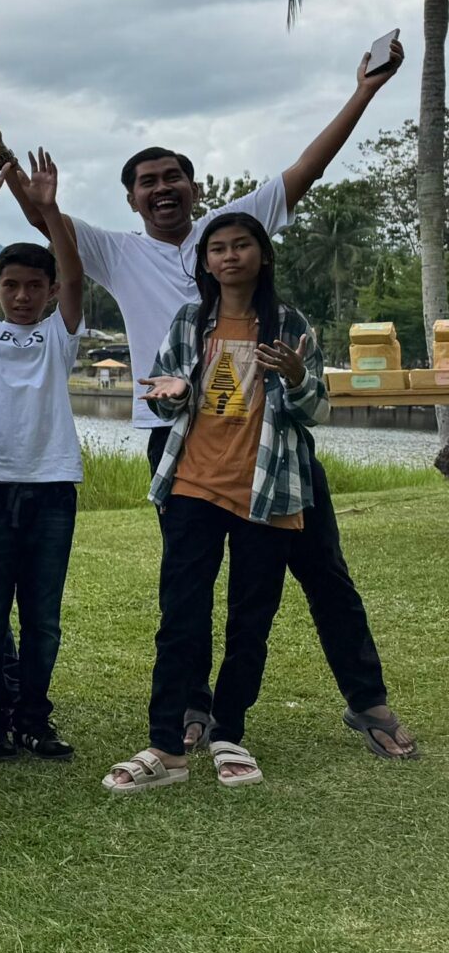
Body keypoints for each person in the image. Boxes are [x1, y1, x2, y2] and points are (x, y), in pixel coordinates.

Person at [0, 53, 416, 759]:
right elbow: (44, 217)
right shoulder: (117, 252)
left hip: (272, 442)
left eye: (173, 177)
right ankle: (191, 711)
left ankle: (369, 702)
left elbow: (308, 169)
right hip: (179, 442)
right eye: (147, 182)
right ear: (132, 201)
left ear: (196, 188)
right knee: (188, 586)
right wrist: (3, 155)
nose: (162, 189)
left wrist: (363, 91)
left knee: (321, 569)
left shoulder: (232, 229)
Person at [105, 212, 347, 793]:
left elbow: (317, 412)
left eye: (241, 245)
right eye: (218, 248)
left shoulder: (289, 323)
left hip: (268, 490)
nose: (230, 256)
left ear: (262, 254)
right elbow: (165, 393)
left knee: (251, 618)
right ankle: (166, 746)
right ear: (206, 261)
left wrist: (294, 376)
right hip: (194, 483)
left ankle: (228, 733)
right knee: (180, 615)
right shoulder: (192, 319)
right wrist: (177, 391)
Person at [0, 146, 86, 761]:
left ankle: (36, 717)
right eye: (12, 286)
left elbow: (76, 273)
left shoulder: (61, 334)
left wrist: (49, 210)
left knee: (43, 618)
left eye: (36, 286)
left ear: (51, 291)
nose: (24, 296)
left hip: (53, 486)